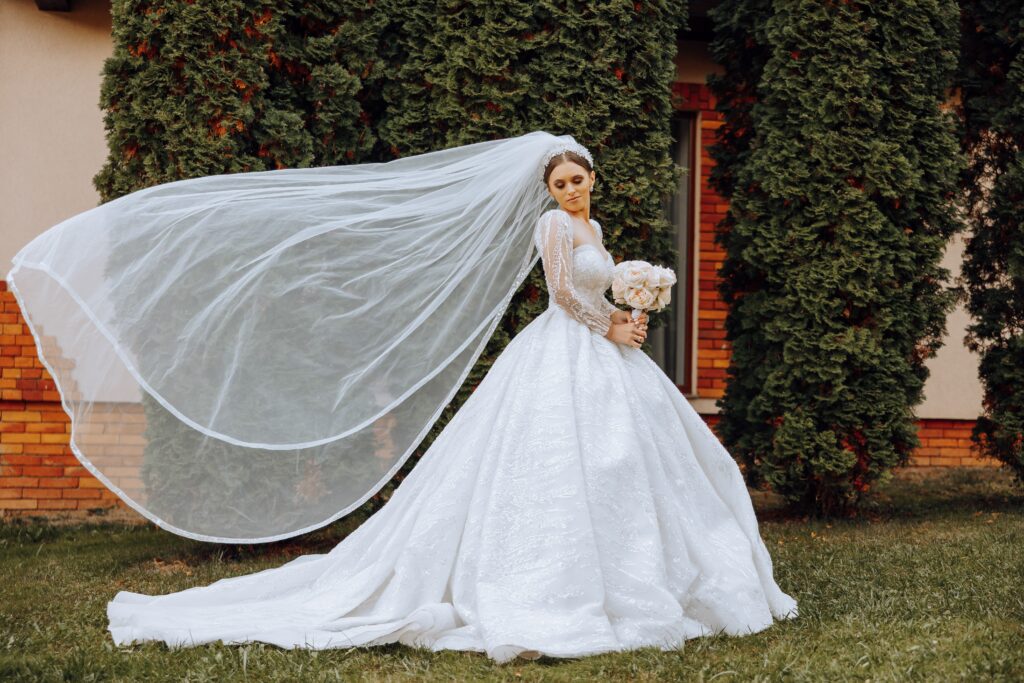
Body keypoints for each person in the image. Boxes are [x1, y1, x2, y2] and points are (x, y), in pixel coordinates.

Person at [97, 136, 797, 663]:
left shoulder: (595, 228)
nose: (571, 189)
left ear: (592, 178)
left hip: (605, 352)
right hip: (565, 347)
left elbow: (598, 287)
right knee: (555, 460)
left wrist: (630, 309)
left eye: (578, 178)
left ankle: (649, 570)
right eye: (559, 181)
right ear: (549, 189)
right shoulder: (553, 227)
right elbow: (561, 294)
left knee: (630, 461)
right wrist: (610, 320)